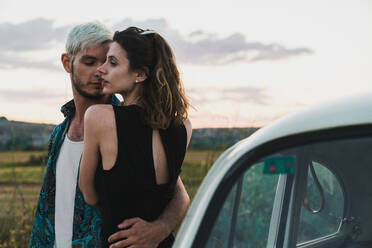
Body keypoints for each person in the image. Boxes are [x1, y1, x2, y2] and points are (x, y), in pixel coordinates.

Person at [29, 23, 190, 248]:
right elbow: (48, 205)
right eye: (89, 62)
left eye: (109, 61)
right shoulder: (60, 132)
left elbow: (177, 193)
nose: (99, 70)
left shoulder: (129, 122)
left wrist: (159, 229)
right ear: (68, 63)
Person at [78, 26, 192, 248]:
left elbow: (89, 194)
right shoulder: (183, 127)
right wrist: (160, 228)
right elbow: (177, 193)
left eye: (112, 62)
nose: (101, 69)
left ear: (140, 74)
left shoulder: (100, 117)